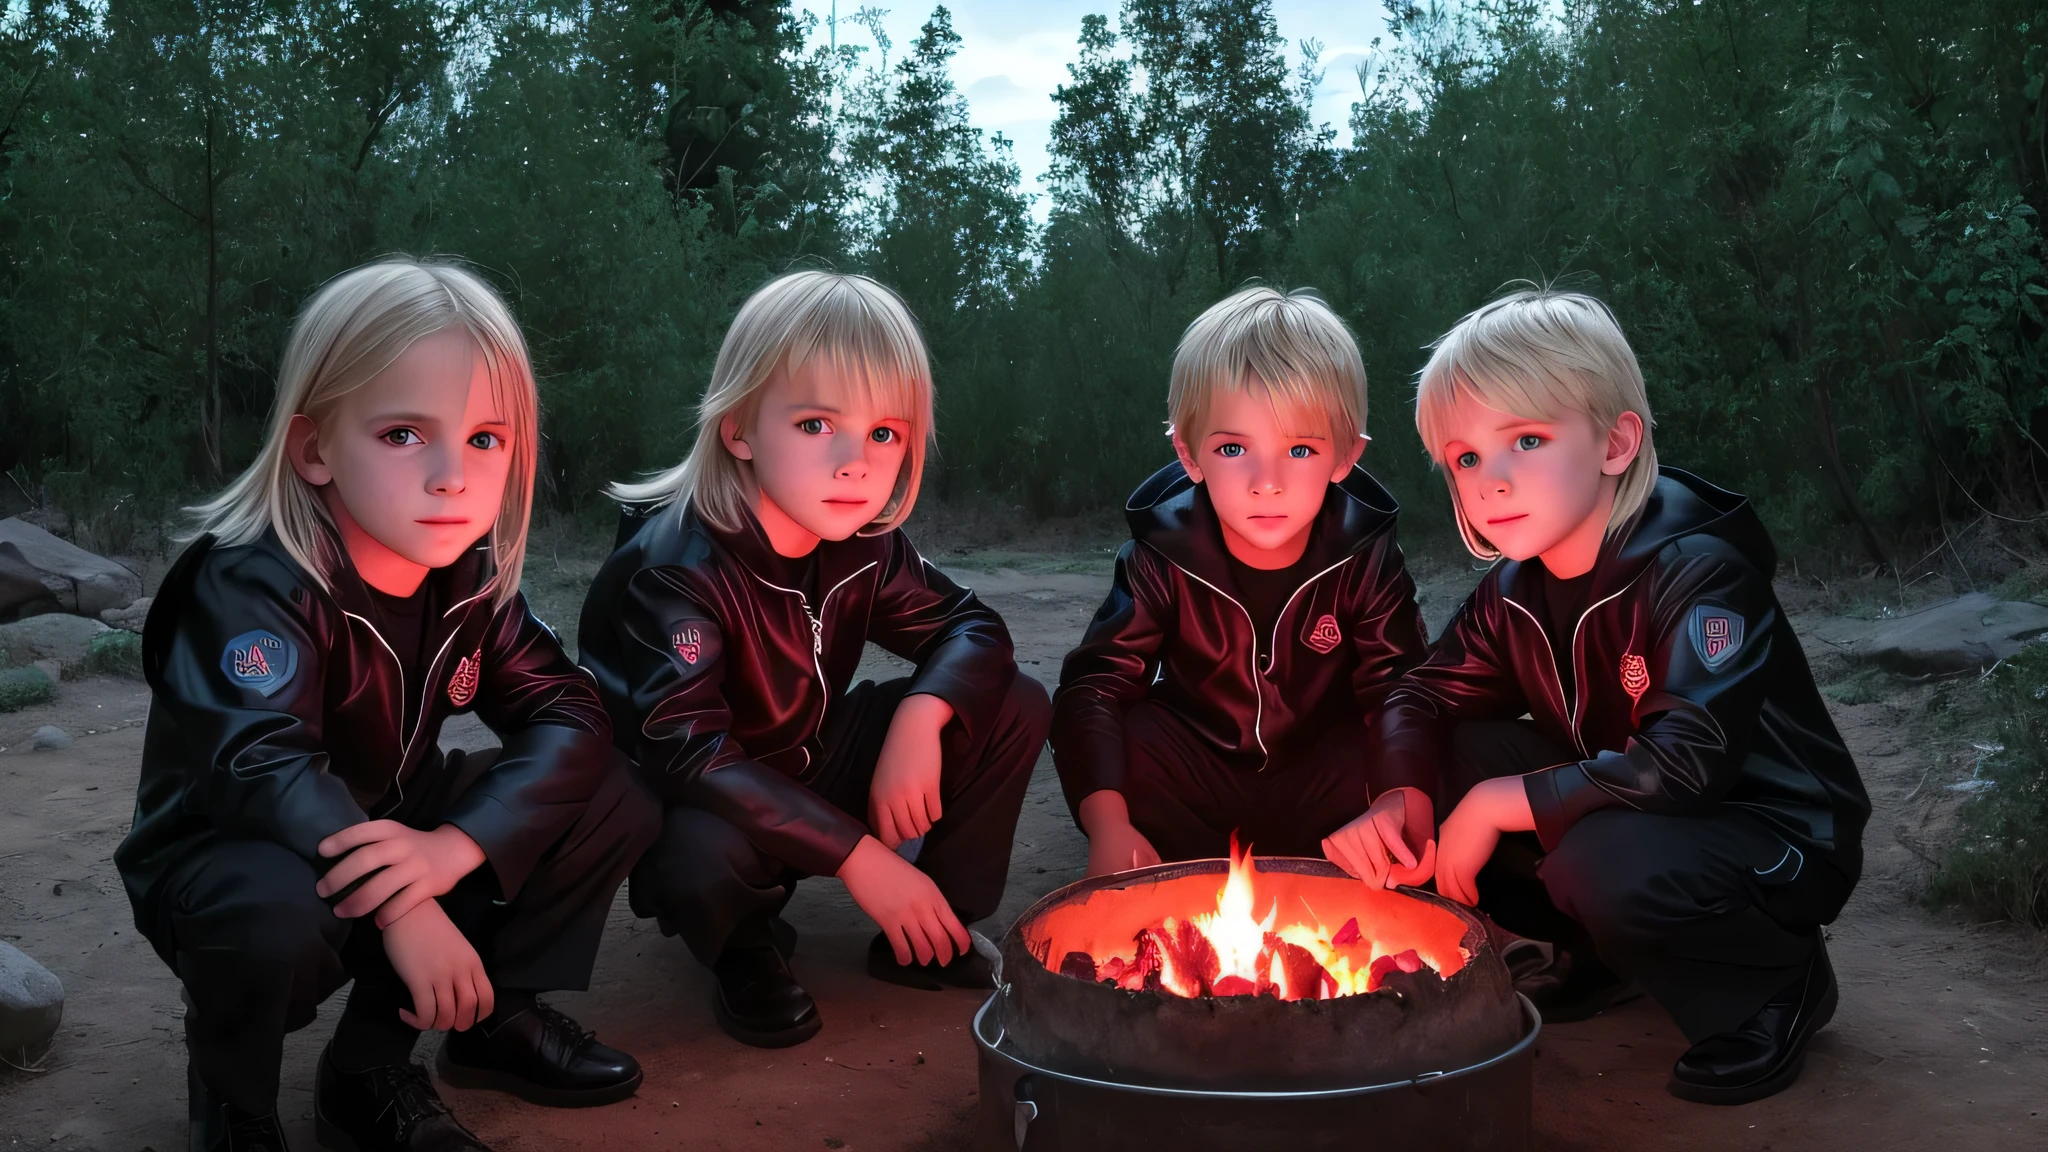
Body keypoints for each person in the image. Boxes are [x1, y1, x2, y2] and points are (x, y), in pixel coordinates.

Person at [115, 259, 658, 1152]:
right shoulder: (247, 576)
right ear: (314, 447)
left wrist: (456, 847)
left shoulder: (468, 574)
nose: (453, 475)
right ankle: (233, 1098)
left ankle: (387, 1063)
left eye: (486, 438)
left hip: (391, 821)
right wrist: (408, 907)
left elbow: (570, 713)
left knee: (612, 793)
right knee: (268, 917)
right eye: (405, 433)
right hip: (233, 848)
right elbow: (264, 765)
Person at [1335, 285, 1869, 1105]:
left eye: (1527, 439)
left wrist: (1494, 804)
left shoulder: (1699, 571)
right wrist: (1403, 799)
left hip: (1775, 839)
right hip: (1641, 813)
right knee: (1439, 765)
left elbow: (1687, 764)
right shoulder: (1515, 588)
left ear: (1616, 442)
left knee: (1594, 859)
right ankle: (1603, 958)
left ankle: (1776, 987)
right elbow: (1419, 696)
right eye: (1467, 458)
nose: (1492, 481)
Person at [577, 270, 1049, 1049]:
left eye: (884, 433)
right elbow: (686, 752)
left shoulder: (865, 543)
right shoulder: (674, 568)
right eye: (815, 425)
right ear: (738, 428)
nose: (854, 462)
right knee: (694, 844)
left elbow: (971, 624)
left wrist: (920, 721)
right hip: (701, 796)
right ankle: (745, 950)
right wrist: (862, 856)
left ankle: (930, 928)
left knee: (1012, 700)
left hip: (808, 758)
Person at [1052, 286, 1431, 877]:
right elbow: (1095, 684)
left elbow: (1398, 685)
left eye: (1300, 448)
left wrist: (1394, 799)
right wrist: (1107, 823)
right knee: (1129, 732)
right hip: (1196, 777)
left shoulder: (1366, 551)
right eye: (1233, 447)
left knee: (1413, 750)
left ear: (1345, 457)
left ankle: (1357, 853)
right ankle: (1147, 854)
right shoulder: (1162, 550)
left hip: (1320, 785)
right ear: (1189, 455)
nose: (1267, 481)